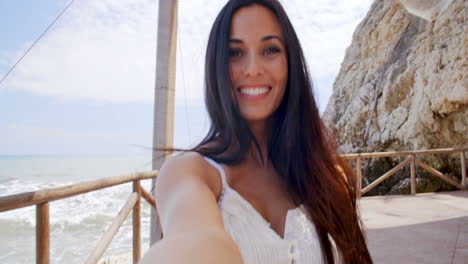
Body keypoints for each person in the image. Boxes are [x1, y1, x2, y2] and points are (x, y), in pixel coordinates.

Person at [140, 0, 372, 263]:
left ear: (290, 62)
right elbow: (192, 238)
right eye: (235, 53)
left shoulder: (330, 176)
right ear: (217, 66)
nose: (252, 69)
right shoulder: (190, 173)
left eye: (270, 49)